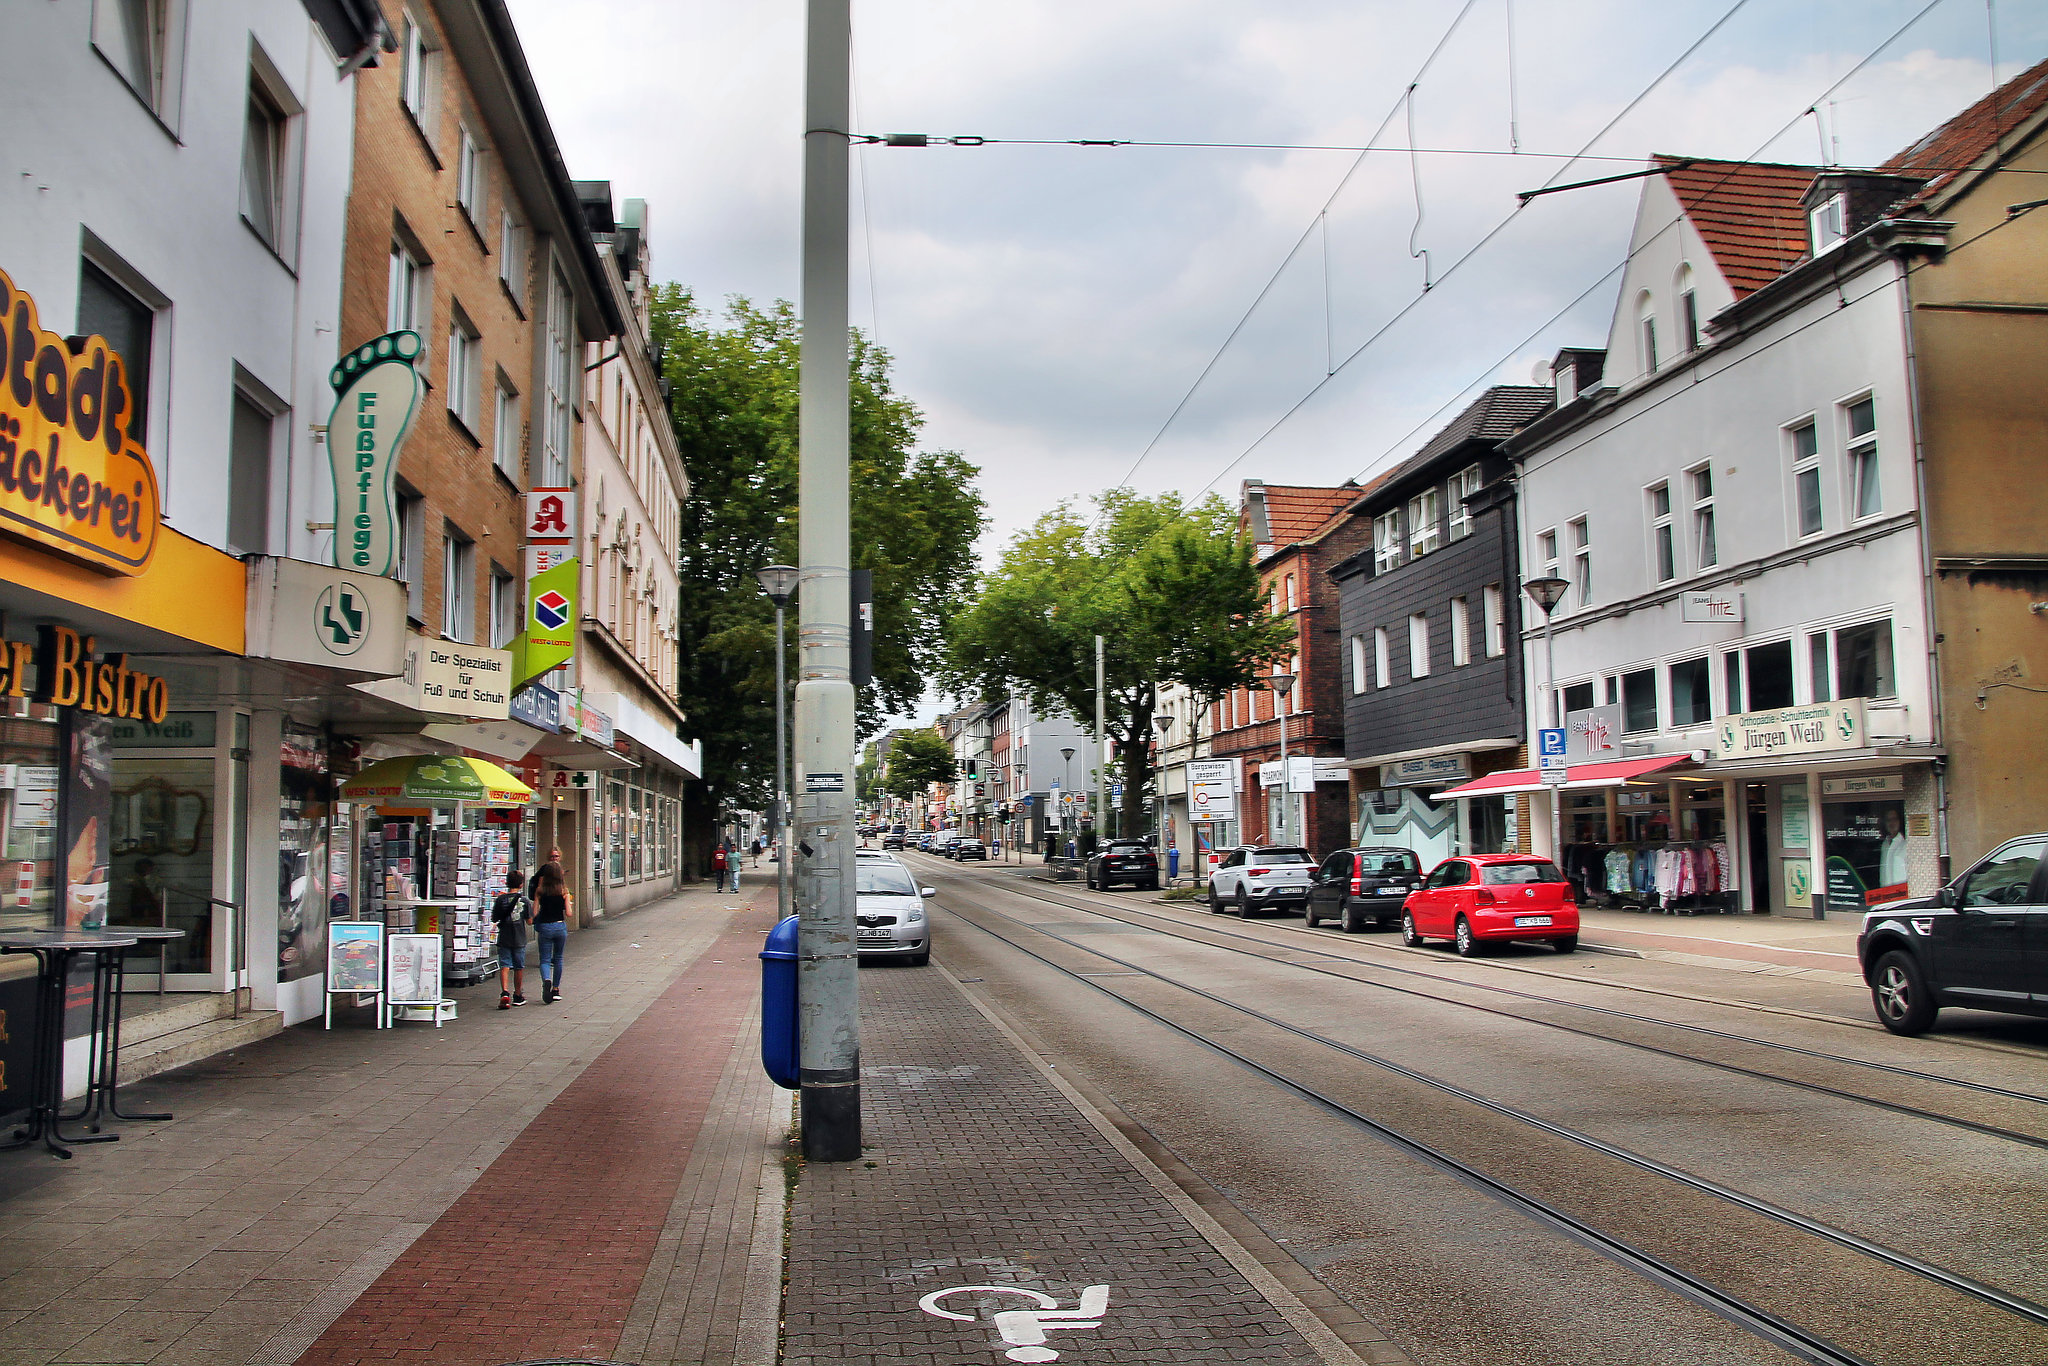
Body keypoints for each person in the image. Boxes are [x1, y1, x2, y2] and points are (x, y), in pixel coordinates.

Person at [531, 860, 570, 1003]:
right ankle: (556, 988)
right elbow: (570, 913)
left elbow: (534, 912)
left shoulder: (540, 891)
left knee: (545, 959)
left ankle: (546, 979)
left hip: (545, 927)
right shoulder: (563, 891)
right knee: (558, 958)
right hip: (560, 927)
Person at [492, 870, 531, 1008]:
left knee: (505, 965)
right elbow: (530, 921)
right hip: (519, 938)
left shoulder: (501, 899)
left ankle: (505, 992)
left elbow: (494, 918)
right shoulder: (524, 901)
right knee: (519, 967)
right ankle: (518, 994)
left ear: (507, 883)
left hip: (504, 937)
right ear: (521, 884)